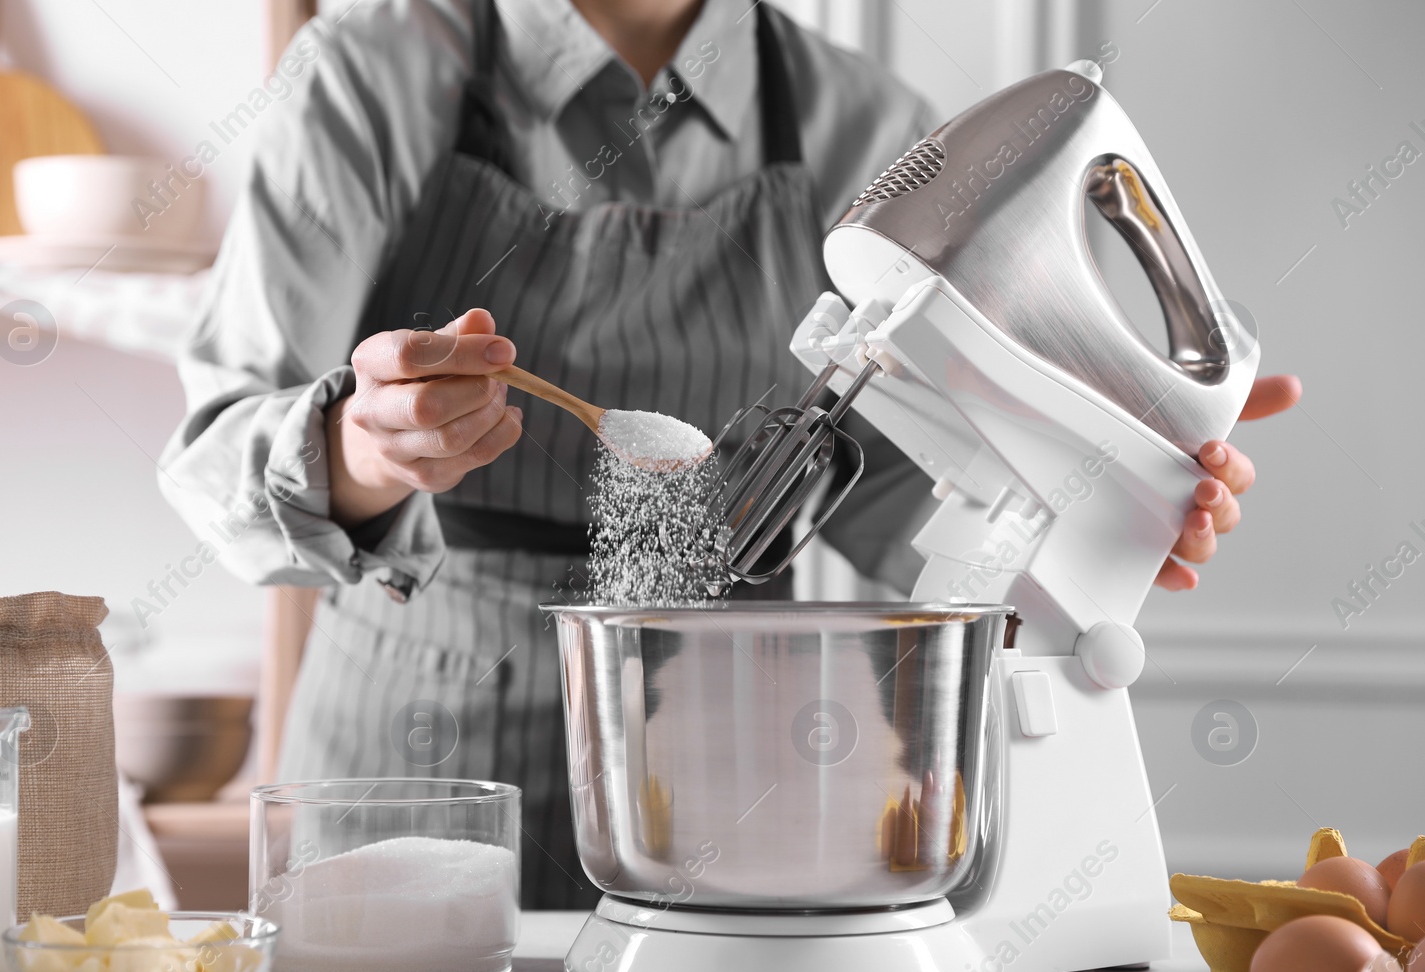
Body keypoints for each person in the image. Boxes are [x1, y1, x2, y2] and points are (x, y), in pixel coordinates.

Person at [159, 0, 1300, 908]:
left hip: (730, 748)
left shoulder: (858, 122)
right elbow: (214, 450)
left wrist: (1066, 499)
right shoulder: (370, 71)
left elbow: (889, 494)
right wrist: (361, 444)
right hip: (419, 753)